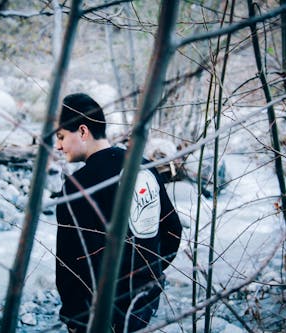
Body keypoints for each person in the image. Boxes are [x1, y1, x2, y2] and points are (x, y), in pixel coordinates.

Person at [55, 93, 182, 333]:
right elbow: (172, 229)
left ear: (83, 131)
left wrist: (73, 318)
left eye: (61, 137)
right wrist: (150, 274)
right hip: (143, 302)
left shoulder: (77, 187)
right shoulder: (142, 166)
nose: (58, 146)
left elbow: (71, 265)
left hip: (98, 314)